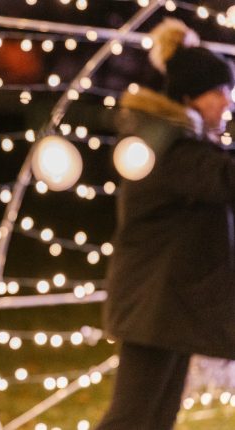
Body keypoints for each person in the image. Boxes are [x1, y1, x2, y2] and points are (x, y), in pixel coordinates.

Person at [97, 18, 235, 430]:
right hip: (153, 306)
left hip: (167, 308)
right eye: (221, 93)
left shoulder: (179, 143)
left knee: (156, 418)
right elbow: (225, 179)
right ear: (191, 96)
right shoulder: (169, 147)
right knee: (132, 417)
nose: (228, 104)